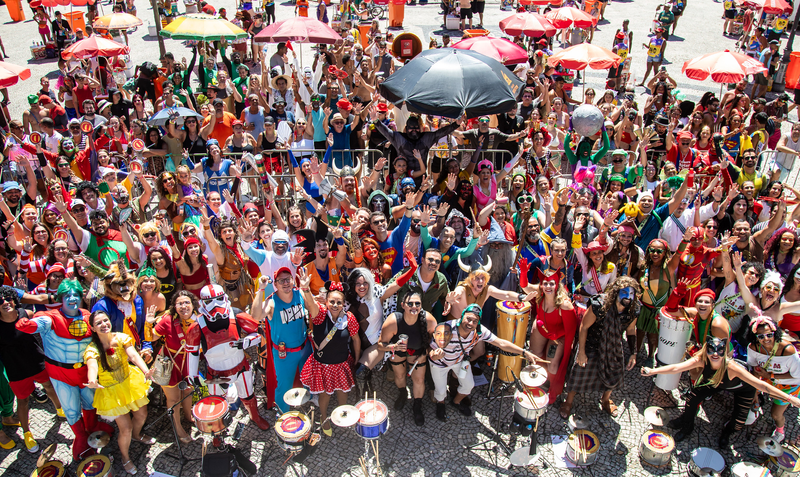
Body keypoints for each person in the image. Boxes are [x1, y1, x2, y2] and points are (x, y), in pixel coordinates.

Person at [642, 336, 800, 447]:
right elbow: (677, 367)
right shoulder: (702, 359)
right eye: (711, 350)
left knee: (739, 422)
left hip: (743, 389)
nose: (715, 354)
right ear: (706, 350)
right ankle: (687, 425)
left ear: (725, 351)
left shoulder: (732, 367)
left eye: (720, 350)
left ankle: (726, 433)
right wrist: (653, 371)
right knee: (692, 398)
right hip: (714, 383)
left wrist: (790, 399)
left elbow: (761, 385)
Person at [428, 304, 540, 421]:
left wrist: (524, 352)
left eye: (475, 321)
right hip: (440, 364)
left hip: (459, 361)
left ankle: (456, 402)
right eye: (468, 319)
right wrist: (434, 356)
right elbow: (430, 349)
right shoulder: (447, 328)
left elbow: (501, 343)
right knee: (440, 390)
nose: (470, 323)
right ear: (462, 316)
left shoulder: (479, 331)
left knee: (468, 385)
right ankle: (440, 404)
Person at [83, 310, 154, 475]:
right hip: (111, 392)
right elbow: (92, 366)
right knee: (125, 428)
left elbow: (133, 355)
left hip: (130, 383)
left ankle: (137, 435)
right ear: (93, 328)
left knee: (141, 415)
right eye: (98, 323)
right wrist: (92, 379)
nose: (104, 324)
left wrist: (145, 370)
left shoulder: (121, 338)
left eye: (105, 320)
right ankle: (125, 457)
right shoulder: (92, 349)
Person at [561, 277, 641, 418]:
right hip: (591, 345)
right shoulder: (599, 305)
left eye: (631, 294)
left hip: (613, 346)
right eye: (624, 292)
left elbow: (630, 330)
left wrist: (633, 353)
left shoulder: (633, 310)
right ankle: (568, 402)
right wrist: (581, 352)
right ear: (616, 292)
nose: (628, 297)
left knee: (613, 374)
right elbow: (584, 327)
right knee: (578, 374)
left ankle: (605, 400)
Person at [297, 272, 361, 436]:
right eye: (332, 301)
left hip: (341, 364)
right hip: (323, 365)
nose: (335, 305)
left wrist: (357, 358)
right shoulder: (320, 316)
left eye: (339, 302)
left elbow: (356, 339)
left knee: (342, 393)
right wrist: (305, 288)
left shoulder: (349, 318)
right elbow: (311, 304)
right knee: (325, 395)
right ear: (326, 302)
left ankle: (341, 415)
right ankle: (324, 417)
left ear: (343, 304)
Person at [378, 292, 437, 426]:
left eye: (417, 304)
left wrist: (426, 353)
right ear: (403, 305)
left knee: (419, 379)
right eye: (410, 303)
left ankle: (417, 405)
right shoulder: (393, 321)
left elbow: (437, 341)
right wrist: (393, 347)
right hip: (397, 351)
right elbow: (380, 345)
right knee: (399, 375)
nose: (414, 306)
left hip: (418, 353)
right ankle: (403, 393)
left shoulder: (428, 320)